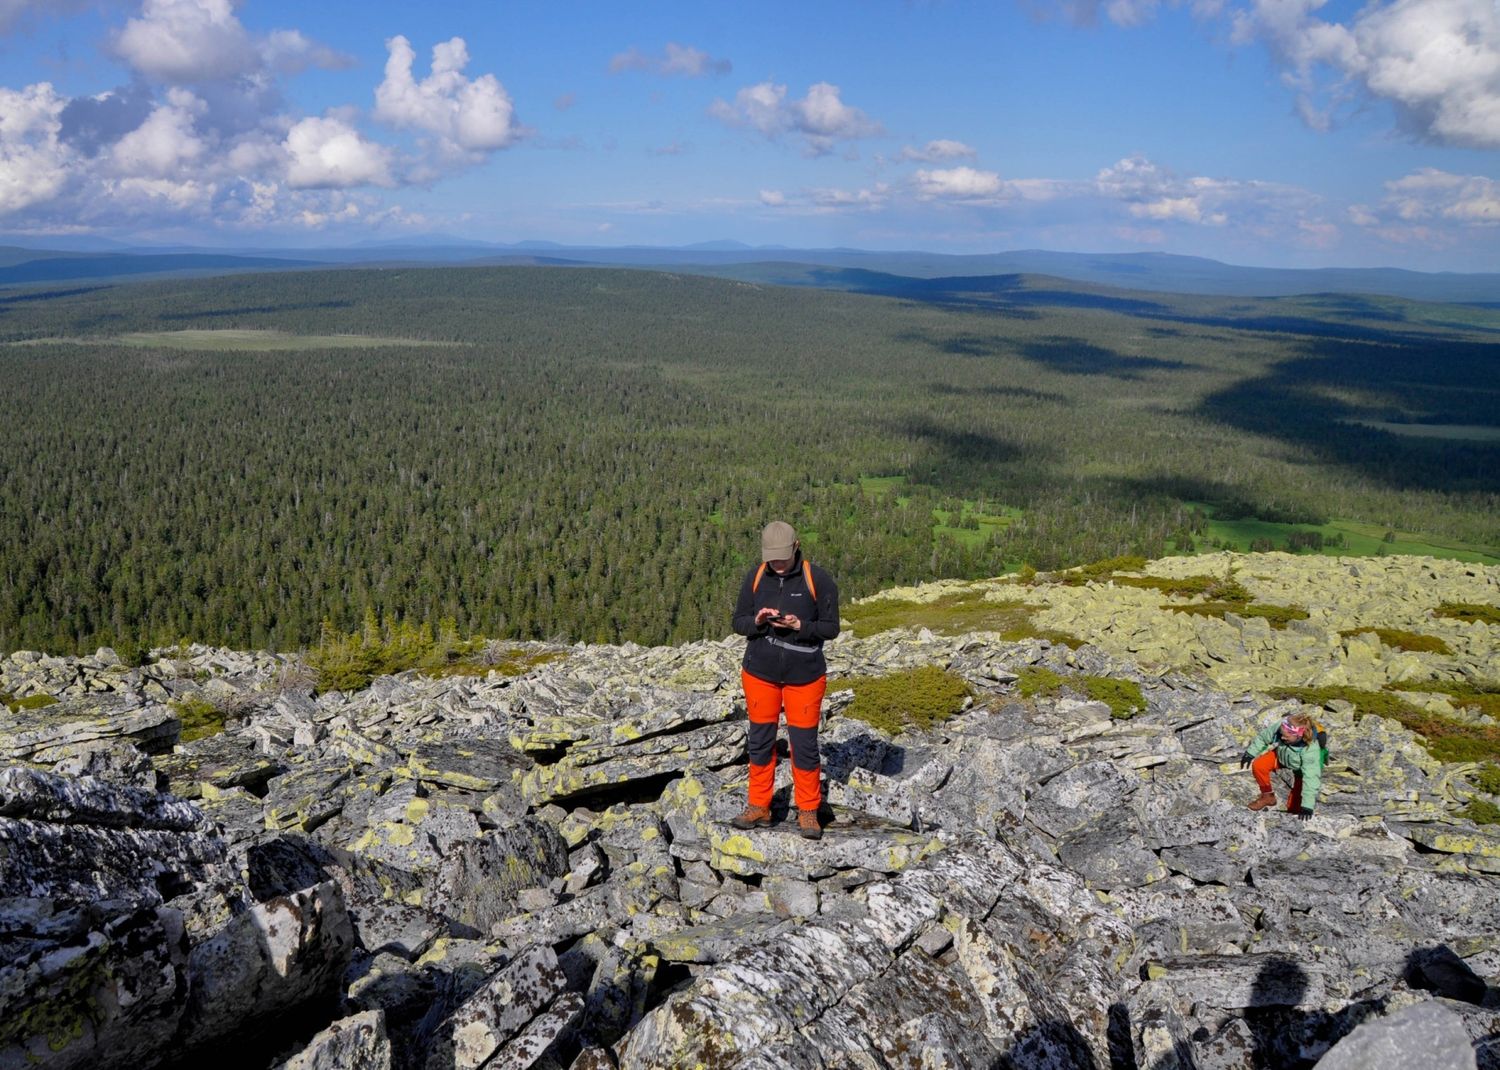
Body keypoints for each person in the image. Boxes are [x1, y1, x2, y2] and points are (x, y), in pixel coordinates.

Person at [729, 520, 840, 840]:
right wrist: (759, 622)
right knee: (760, 740)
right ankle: (759, 805)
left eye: (781, 557)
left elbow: (831, 628)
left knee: (804, 745)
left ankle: (808, 810)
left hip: (805, 676)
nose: (776, 564)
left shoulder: (817, 579)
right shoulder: (755, 576)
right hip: (759, 673)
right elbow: (739, 622)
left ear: (796, 547)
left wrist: (799, 626)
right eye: (770, 557)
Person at [1240, 712, 1325, 819]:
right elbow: (1263, 737)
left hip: (1301, 768)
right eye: (1282, 735)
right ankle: (1267, 796)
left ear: (1299, 735)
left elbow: (1311, 778)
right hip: (1281, 755)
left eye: (1287, 737)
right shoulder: (1282, 726)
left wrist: (1307, 806)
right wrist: (1250, 753)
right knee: (1259, 765)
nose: (1283, 738)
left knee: (1294, 808)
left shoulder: (1310, 750)